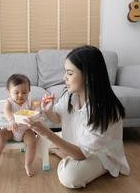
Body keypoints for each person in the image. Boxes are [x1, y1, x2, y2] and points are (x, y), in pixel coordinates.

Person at [24, 45, 130, 188]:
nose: (64, 78)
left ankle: (62, 152)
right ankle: (61, 151)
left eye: (69, 73)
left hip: (100, 155)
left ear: (89, 76)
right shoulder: (70, 96)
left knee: (70, 176)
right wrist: (48, 111)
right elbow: (57, 118)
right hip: (78, 144)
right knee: (36, 141)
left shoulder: (103, 110)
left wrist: (48, 134)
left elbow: (81, 154)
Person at [0, 74, 38, 177]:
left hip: (25, 130)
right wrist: (11, 120)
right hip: (11, 129)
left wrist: (38, 111)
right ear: (8, 92)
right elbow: (7, 111)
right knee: (0, 135)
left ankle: (28, 164)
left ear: (29, 91)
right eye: (16, 92)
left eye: (24, 92)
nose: (20, 95)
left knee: (32, 141)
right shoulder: (9, 102)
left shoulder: (30, 101)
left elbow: (37, 106)